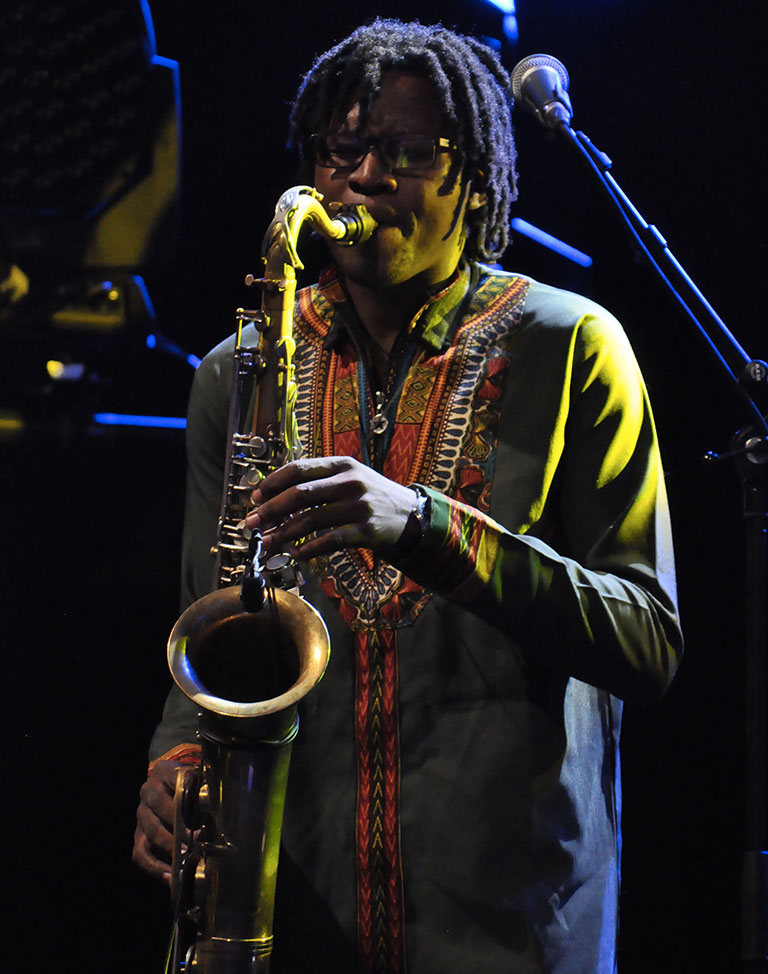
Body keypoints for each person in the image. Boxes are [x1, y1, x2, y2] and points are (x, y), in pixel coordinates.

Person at [133, 18, 682, 974]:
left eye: (408, 152)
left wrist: (425, 525)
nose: (364, 178)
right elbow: (210, 626)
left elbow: (648, 640)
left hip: (511, 926)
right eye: (340, 150)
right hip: (294, 920)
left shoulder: (575, 346)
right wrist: (176, 764)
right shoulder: (237, 371)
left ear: (479, 179)